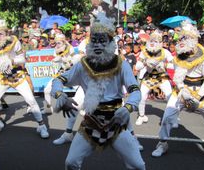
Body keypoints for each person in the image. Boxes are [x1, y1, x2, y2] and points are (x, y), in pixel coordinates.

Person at [51, 10, 145, 170]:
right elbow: (59, 80)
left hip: (117, 123)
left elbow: (135, 90)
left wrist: (128, 108)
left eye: (103, 41)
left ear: (110, 43)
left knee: (138, 165)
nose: (99, 45)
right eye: (95, 41)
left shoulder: (121, 64)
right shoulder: (83, 64)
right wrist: (60, 95)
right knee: (71, 162)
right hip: (91, 123)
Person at [151, 21, 204, 163]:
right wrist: (183, 91)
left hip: (201, 94)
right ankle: (162, 144)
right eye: (181, 39)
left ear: (194, 41)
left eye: (186, 39)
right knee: (166, 118)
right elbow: (178, 78)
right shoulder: (179, 57)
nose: (182, 42)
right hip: (181, 92)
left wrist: (196, 97)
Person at [0, 17, 49, 138]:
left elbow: (23, 58)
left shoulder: (14, 41)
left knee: (30, 100)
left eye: (0, 34)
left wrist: (11, 61)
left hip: (17, 76)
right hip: (3, 78)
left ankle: (42, 126)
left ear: (6, 33)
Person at [42, 34, 84, 145]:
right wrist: (58, 61)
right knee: (47, 89)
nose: (57, 45)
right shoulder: (56, 50)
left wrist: (66, 61)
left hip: (74, 74)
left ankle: (129, 136)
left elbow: (77, 60)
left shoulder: (70, 48)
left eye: (59, 42)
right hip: (64, 74)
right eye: (56, 43)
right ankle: (48, 108)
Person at [134, 30, 174, 125]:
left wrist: (163, 65)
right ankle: (141, 116)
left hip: (162, 77)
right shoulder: (144, 52)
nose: (153, 43)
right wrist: (145, 63)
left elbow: (173, 65)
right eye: (151, 41)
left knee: (170, 96)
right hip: (149, 77)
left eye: (156, 41)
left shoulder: (165, 52)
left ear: (160, 43)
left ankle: (171, 117)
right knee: (142, 97)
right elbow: (137, 66)